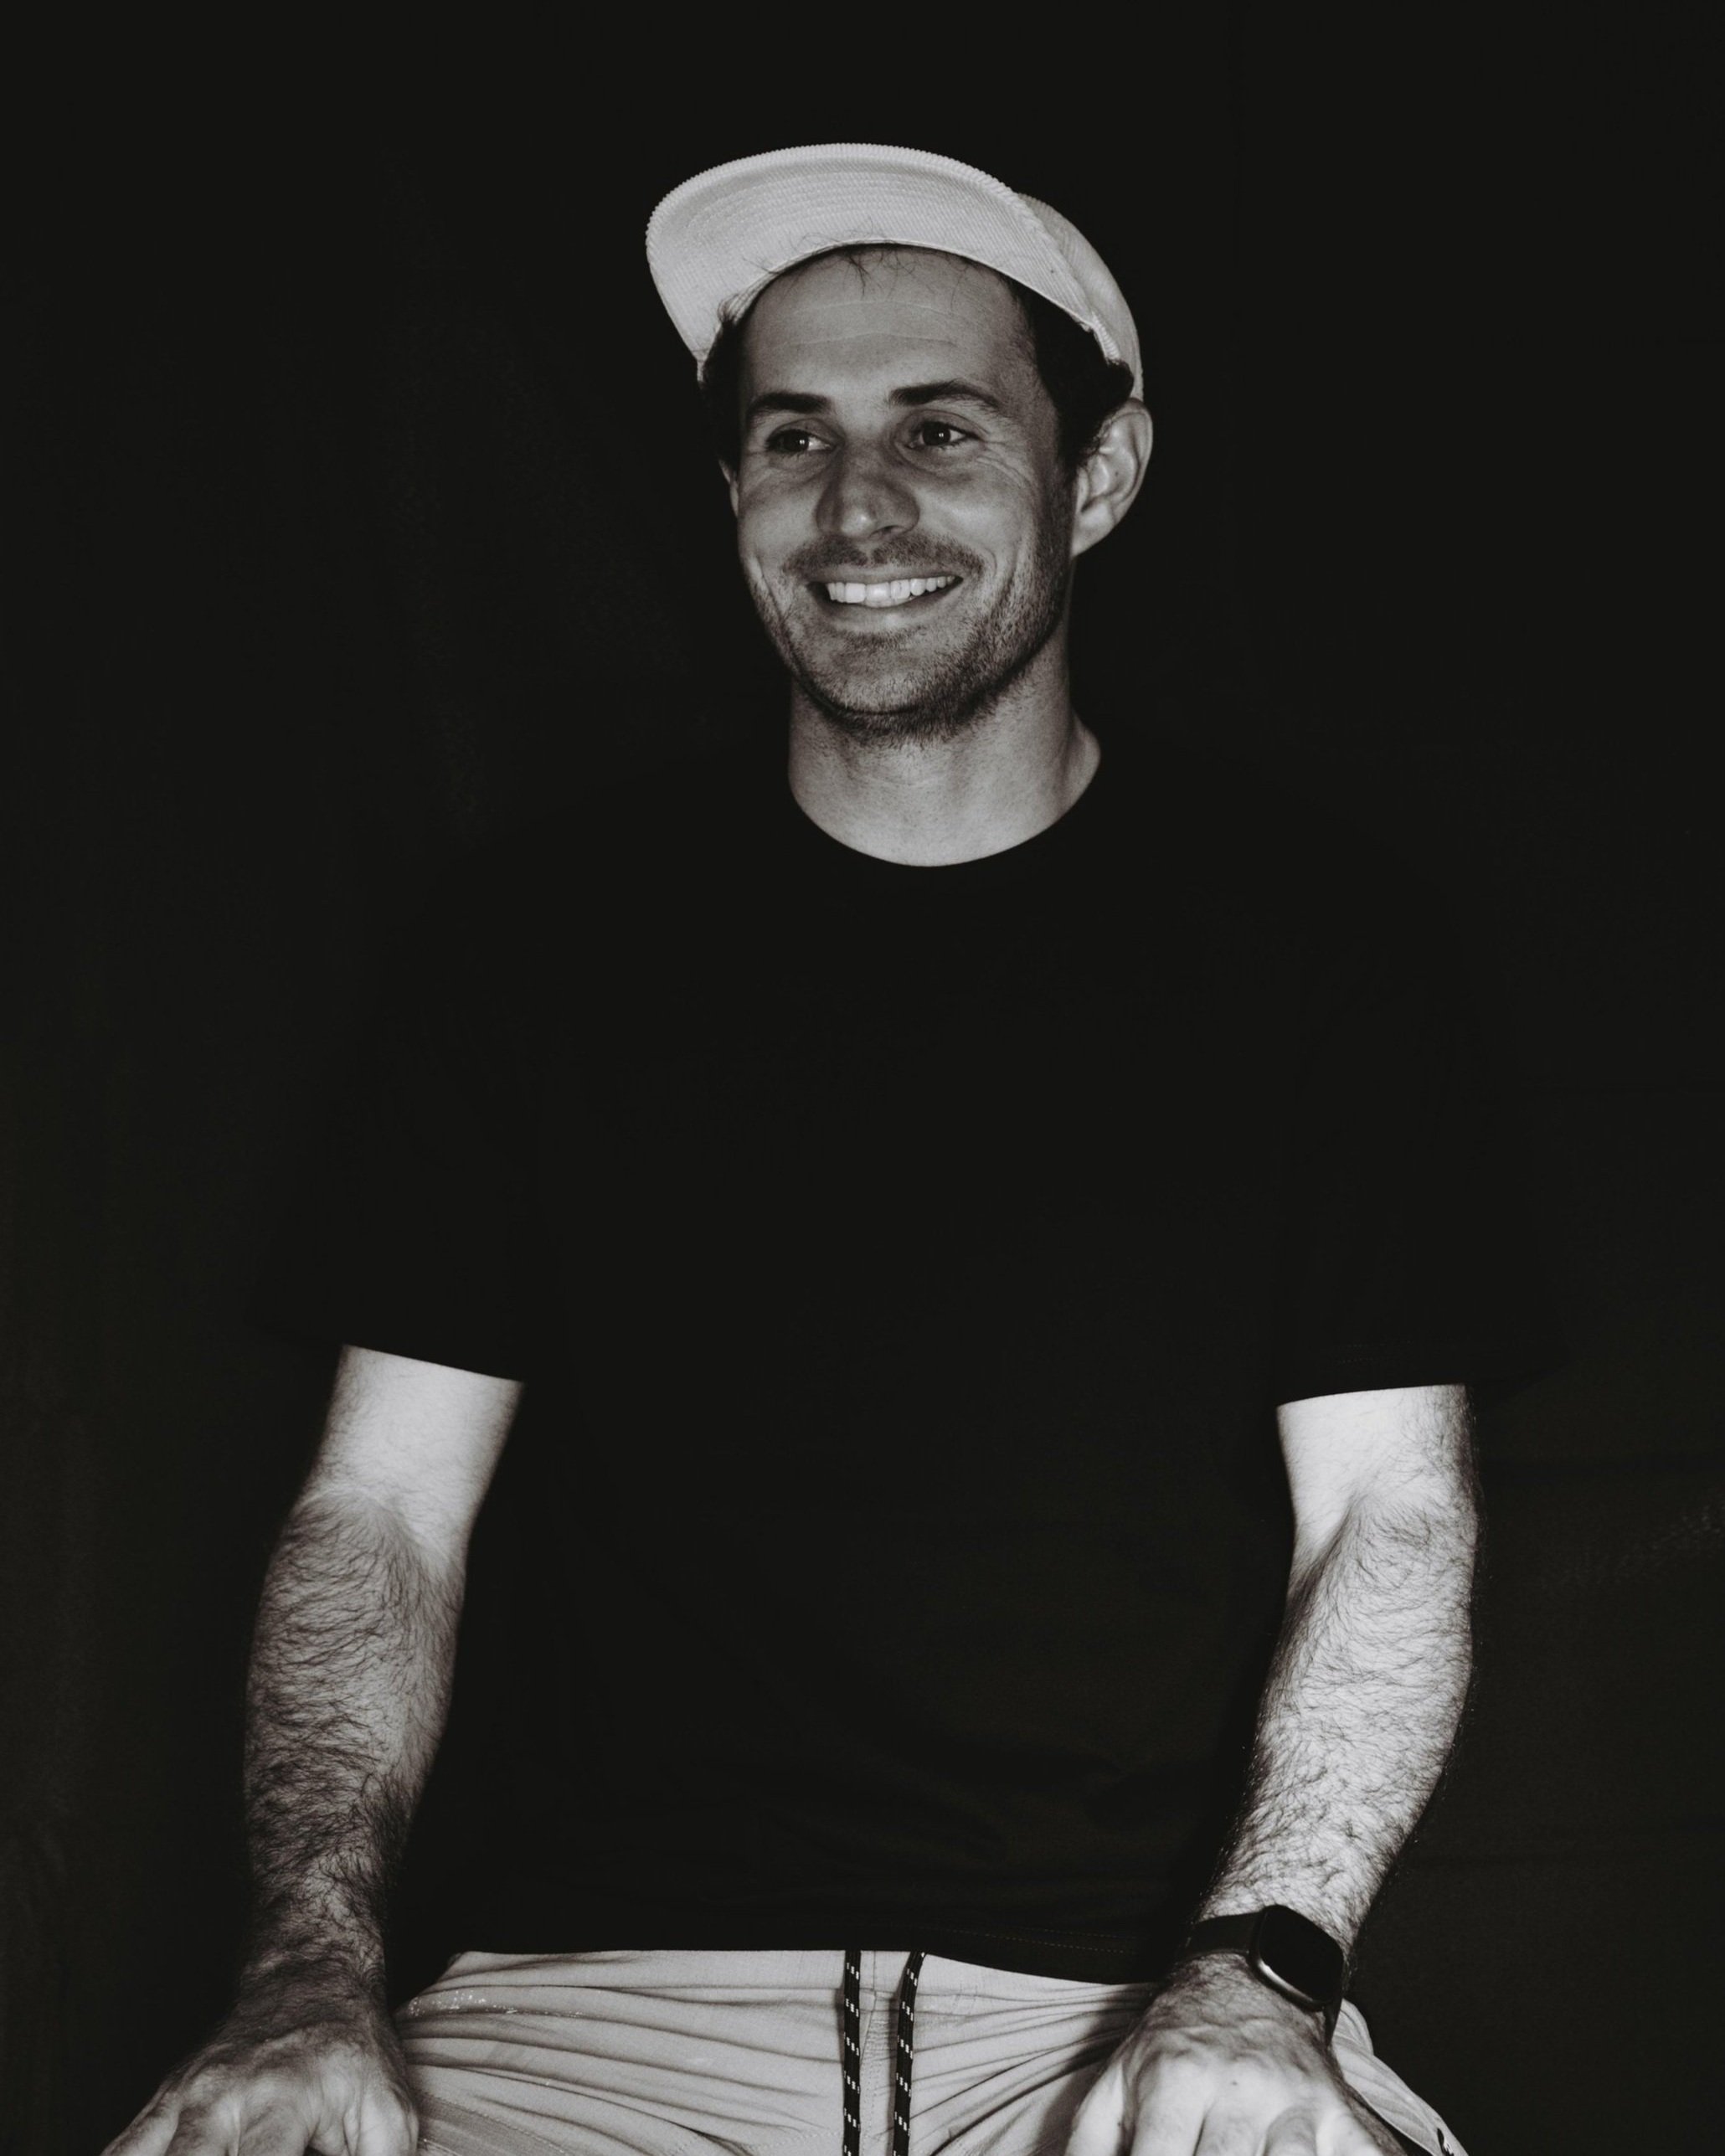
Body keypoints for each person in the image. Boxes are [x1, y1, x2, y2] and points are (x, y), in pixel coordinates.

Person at [106, 143, 1513, 2156]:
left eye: (941, 428)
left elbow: (1388, 1515)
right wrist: (310, 1971)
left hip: (1124, 2022)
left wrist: (1262, 1969)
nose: (861, 508)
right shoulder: (527, 951)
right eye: (794, 439)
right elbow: (380, 1515)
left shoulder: (1324, 959)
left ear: (1093, 479)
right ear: (734, 498)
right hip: (580, 2022)